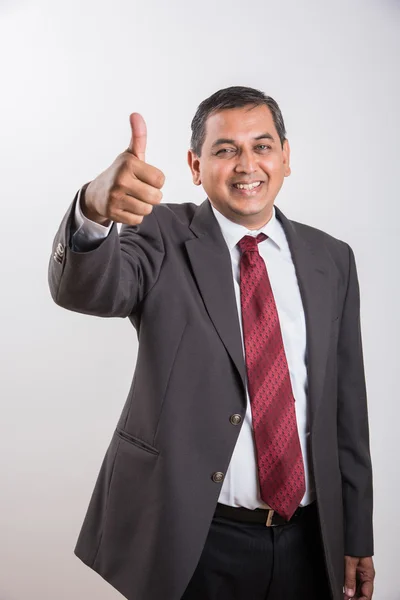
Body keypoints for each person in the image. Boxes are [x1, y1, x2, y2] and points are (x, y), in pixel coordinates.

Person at [48, 86, 375, 600]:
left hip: (311, 541)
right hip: (195, 539)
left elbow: (347, 411)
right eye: (225, 150)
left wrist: (356, 533)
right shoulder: (160, 234)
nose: (247, 164)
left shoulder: (332, 258)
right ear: (195, 165)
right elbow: (88, 289)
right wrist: (93, 210)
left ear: (286, 158)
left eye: (262, 146)